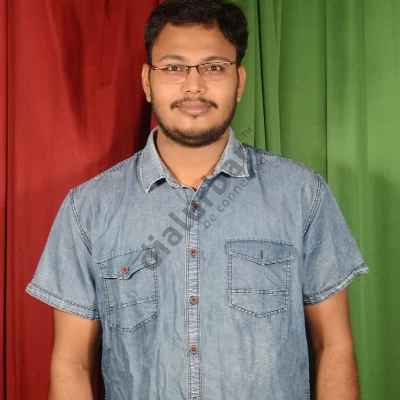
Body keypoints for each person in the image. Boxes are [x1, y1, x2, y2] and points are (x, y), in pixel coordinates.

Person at [26, 0, 369, 399]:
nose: (194, 86)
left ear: (239, 81)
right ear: (147, 80)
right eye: (174, 68)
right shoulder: (88, 208)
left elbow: (333, 345)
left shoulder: (301, 194)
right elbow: (72, 362)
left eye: (214, 67)